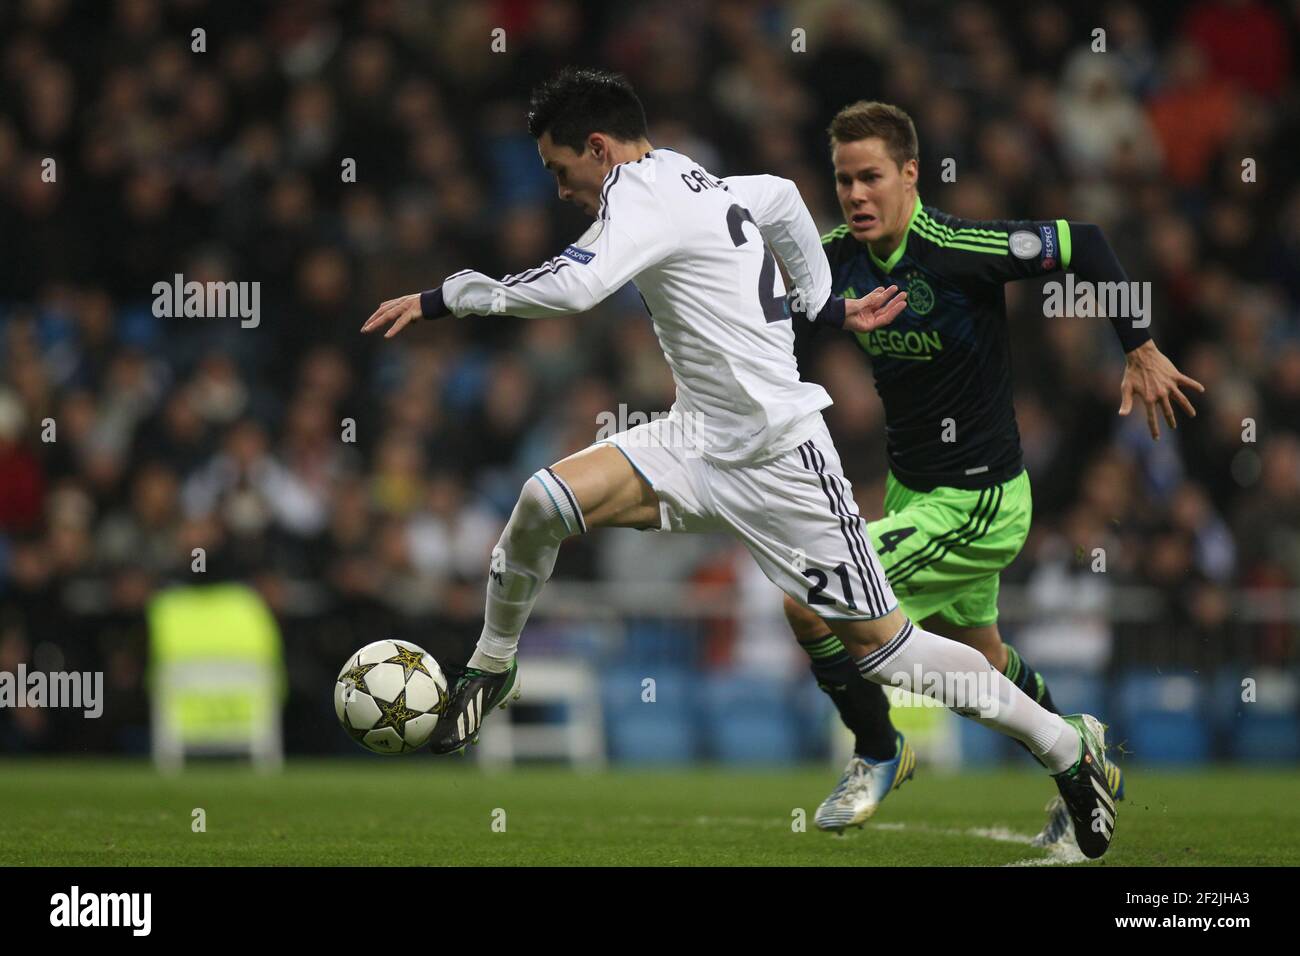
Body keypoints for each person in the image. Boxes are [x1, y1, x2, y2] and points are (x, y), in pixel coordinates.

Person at [362, 69, 1120, 858]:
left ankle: (1069, 752)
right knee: (543, 501)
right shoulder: (697, 178)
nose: (559, 190)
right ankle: (492, 667)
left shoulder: (642, 194)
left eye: (561, 171)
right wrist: (824, 302)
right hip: (695, 439)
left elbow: (580, 285)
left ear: (598, 149)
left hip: (781, 459)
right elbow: (785, 199)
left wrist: (453, 295)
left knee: (888, 650)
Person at [788, 100, 1201, 844]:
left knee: (812, 600)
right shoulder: (834, 259)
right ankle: (1080, 751)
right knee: (982, 660)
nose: (855, 195)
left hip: (978, 500)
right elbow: (775, 308)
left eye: (872, 177)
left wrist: (1137, 346)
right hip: (918, 490)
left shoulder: (957, 248)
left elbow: (1085, 241)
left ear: (911, 175)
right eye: (845, 180)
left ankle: (879, 750)